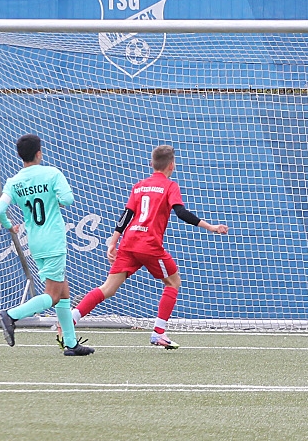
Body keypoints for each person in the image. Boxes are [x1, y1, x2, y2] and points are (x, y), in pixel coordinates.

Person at [71, 145, 229, 349]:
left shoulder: (139, 186)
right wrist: (211, 227)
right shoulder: (170, 186)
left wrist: (113, 241)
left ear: (151, 164)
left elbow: (126, 215)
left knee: (107, 289)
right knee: (173, 282)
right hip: (149, 245)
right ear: (172, 165)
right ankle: (158, 332)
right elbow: (181, 212)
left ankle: (70, 319)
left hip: (129, 242)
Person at [0, 134, 91, 355]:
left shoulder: (14, 181)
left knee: (63, 292)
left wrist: (9, 226)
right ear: (39, 153)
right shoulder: (52, 173)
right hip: (53, 241)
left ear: (20, 156)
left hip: (36, 242)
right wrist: (54, 201)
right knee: (53, 295)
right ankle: (11, 315)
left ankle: (70, 343)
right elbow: (67, 199)